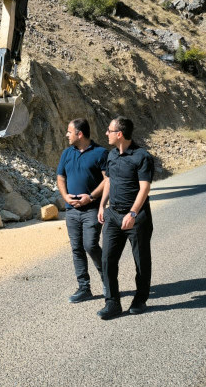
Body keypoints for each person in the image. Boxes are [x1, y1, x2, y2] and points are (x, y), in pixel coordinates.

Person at [96, 116, 154, 319]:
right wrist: (102, 205)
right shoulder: (111, 155)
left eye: (109, 130)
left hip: (136, 218)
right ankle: (112, 303)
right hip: (113, 215)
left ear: (119, 134)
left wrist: (133, 213)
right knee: (107, 259)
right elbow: (109, 181)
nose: (106, 134)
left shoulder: (141, 157)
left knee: (141, 260)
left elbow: (144, 187)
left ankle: (140, 298)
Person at [56, 118, 108, 304]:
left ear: (80, 134)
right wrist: (65, 197)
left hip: (92, 209)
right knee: (76, 248)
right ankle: (84, 288)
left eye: (69, 132)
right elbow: (60, 176)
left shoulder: (101, 153)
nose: (66, 135)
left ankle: (107, 281)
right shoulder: (66, 153)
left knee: (90, 245)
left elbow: (107, 179)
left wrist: (91, 197)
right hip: (71, 210)